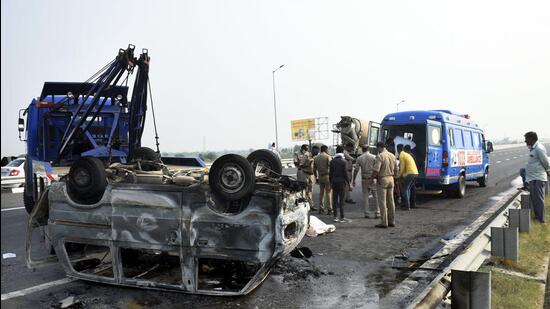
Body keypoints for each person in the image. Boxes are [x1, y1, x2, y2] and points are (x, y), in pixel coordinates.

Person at [523, 131, 549, 223]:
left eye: (526, 139)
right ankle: (538, 216)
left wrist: (548, 171)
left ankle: (542, 220)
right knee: (535, 199)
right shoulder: (533, 149)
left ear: (532, 139)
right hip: (533, 178)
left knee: (539, 199)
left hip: (538, 177)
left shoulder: (539, 149)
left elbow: (546, 162)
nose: (525, 142)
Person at [372, 141, 398, 228]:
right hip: (391, 179)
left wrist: (372, 178)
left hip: (382, 179)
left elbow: (376, 170)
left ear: (379, 147)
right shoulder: (392, 155)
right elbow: (396, 169)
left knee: (382, 202)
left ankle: (384, 222)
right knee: (391, 201)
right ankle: (392, 221)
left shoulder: (380, 156)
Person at [352, 145, 380, 218]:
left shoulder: (359, 158)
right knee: (376, 196)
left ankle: (367, 213)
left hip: (364, 179)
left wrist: (354, 179)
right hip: (373, 178)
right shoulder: (374, 157)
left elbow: (356, 170)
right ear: (369, 149)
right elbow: (377, 169)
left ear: (362, 149)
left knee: (365, 197)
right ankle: (377, 212)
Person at [330, 145, 351, 223]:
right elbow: (345, 173)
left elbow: (330, 173)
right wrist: (349, 183)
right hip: (341, 182)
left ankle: (335, 217)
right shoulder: (343, 161)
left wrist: (330, 182)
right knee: (341, 200)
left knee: (334, 200)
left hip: (334, 182)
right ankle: (342, 217)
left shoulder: (332, 161)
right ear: (342, 152)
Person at [294, 144, 317, 211]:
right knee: (302, 189)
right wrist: (304, 165)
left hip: (310, 173)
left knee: (310, 190)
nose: (305, 150)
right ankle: (302, 206)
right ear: (301, 148)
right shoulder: (297, 153)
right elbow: (296, 163)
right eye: (304, 149)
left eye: (307, 149)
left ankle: (310, 205)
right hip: (302, 172)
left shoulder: (310, 154)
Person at [397, 144, 419, 210]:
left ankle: (407, 206)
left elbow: (402, 167)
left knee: (405, 189)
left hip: (410, 173)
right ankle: (408, 205)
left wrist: (399, 175)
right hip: (415, 173)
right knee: (408, 189)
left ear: (398, 149)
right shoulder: (406, 154)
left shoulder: (401, 155)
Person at [314, 145, 332, 215]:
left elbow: (314, 169)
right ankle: (329, 209)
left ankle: (321, 208)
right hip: (327, 176)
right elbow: (331, 166)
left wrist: (316, 177)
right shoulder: (327, 156)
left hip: (320, 176)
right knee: (329, 193)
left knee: (321, 193)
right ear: (326, 150)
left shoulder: (316, 157)